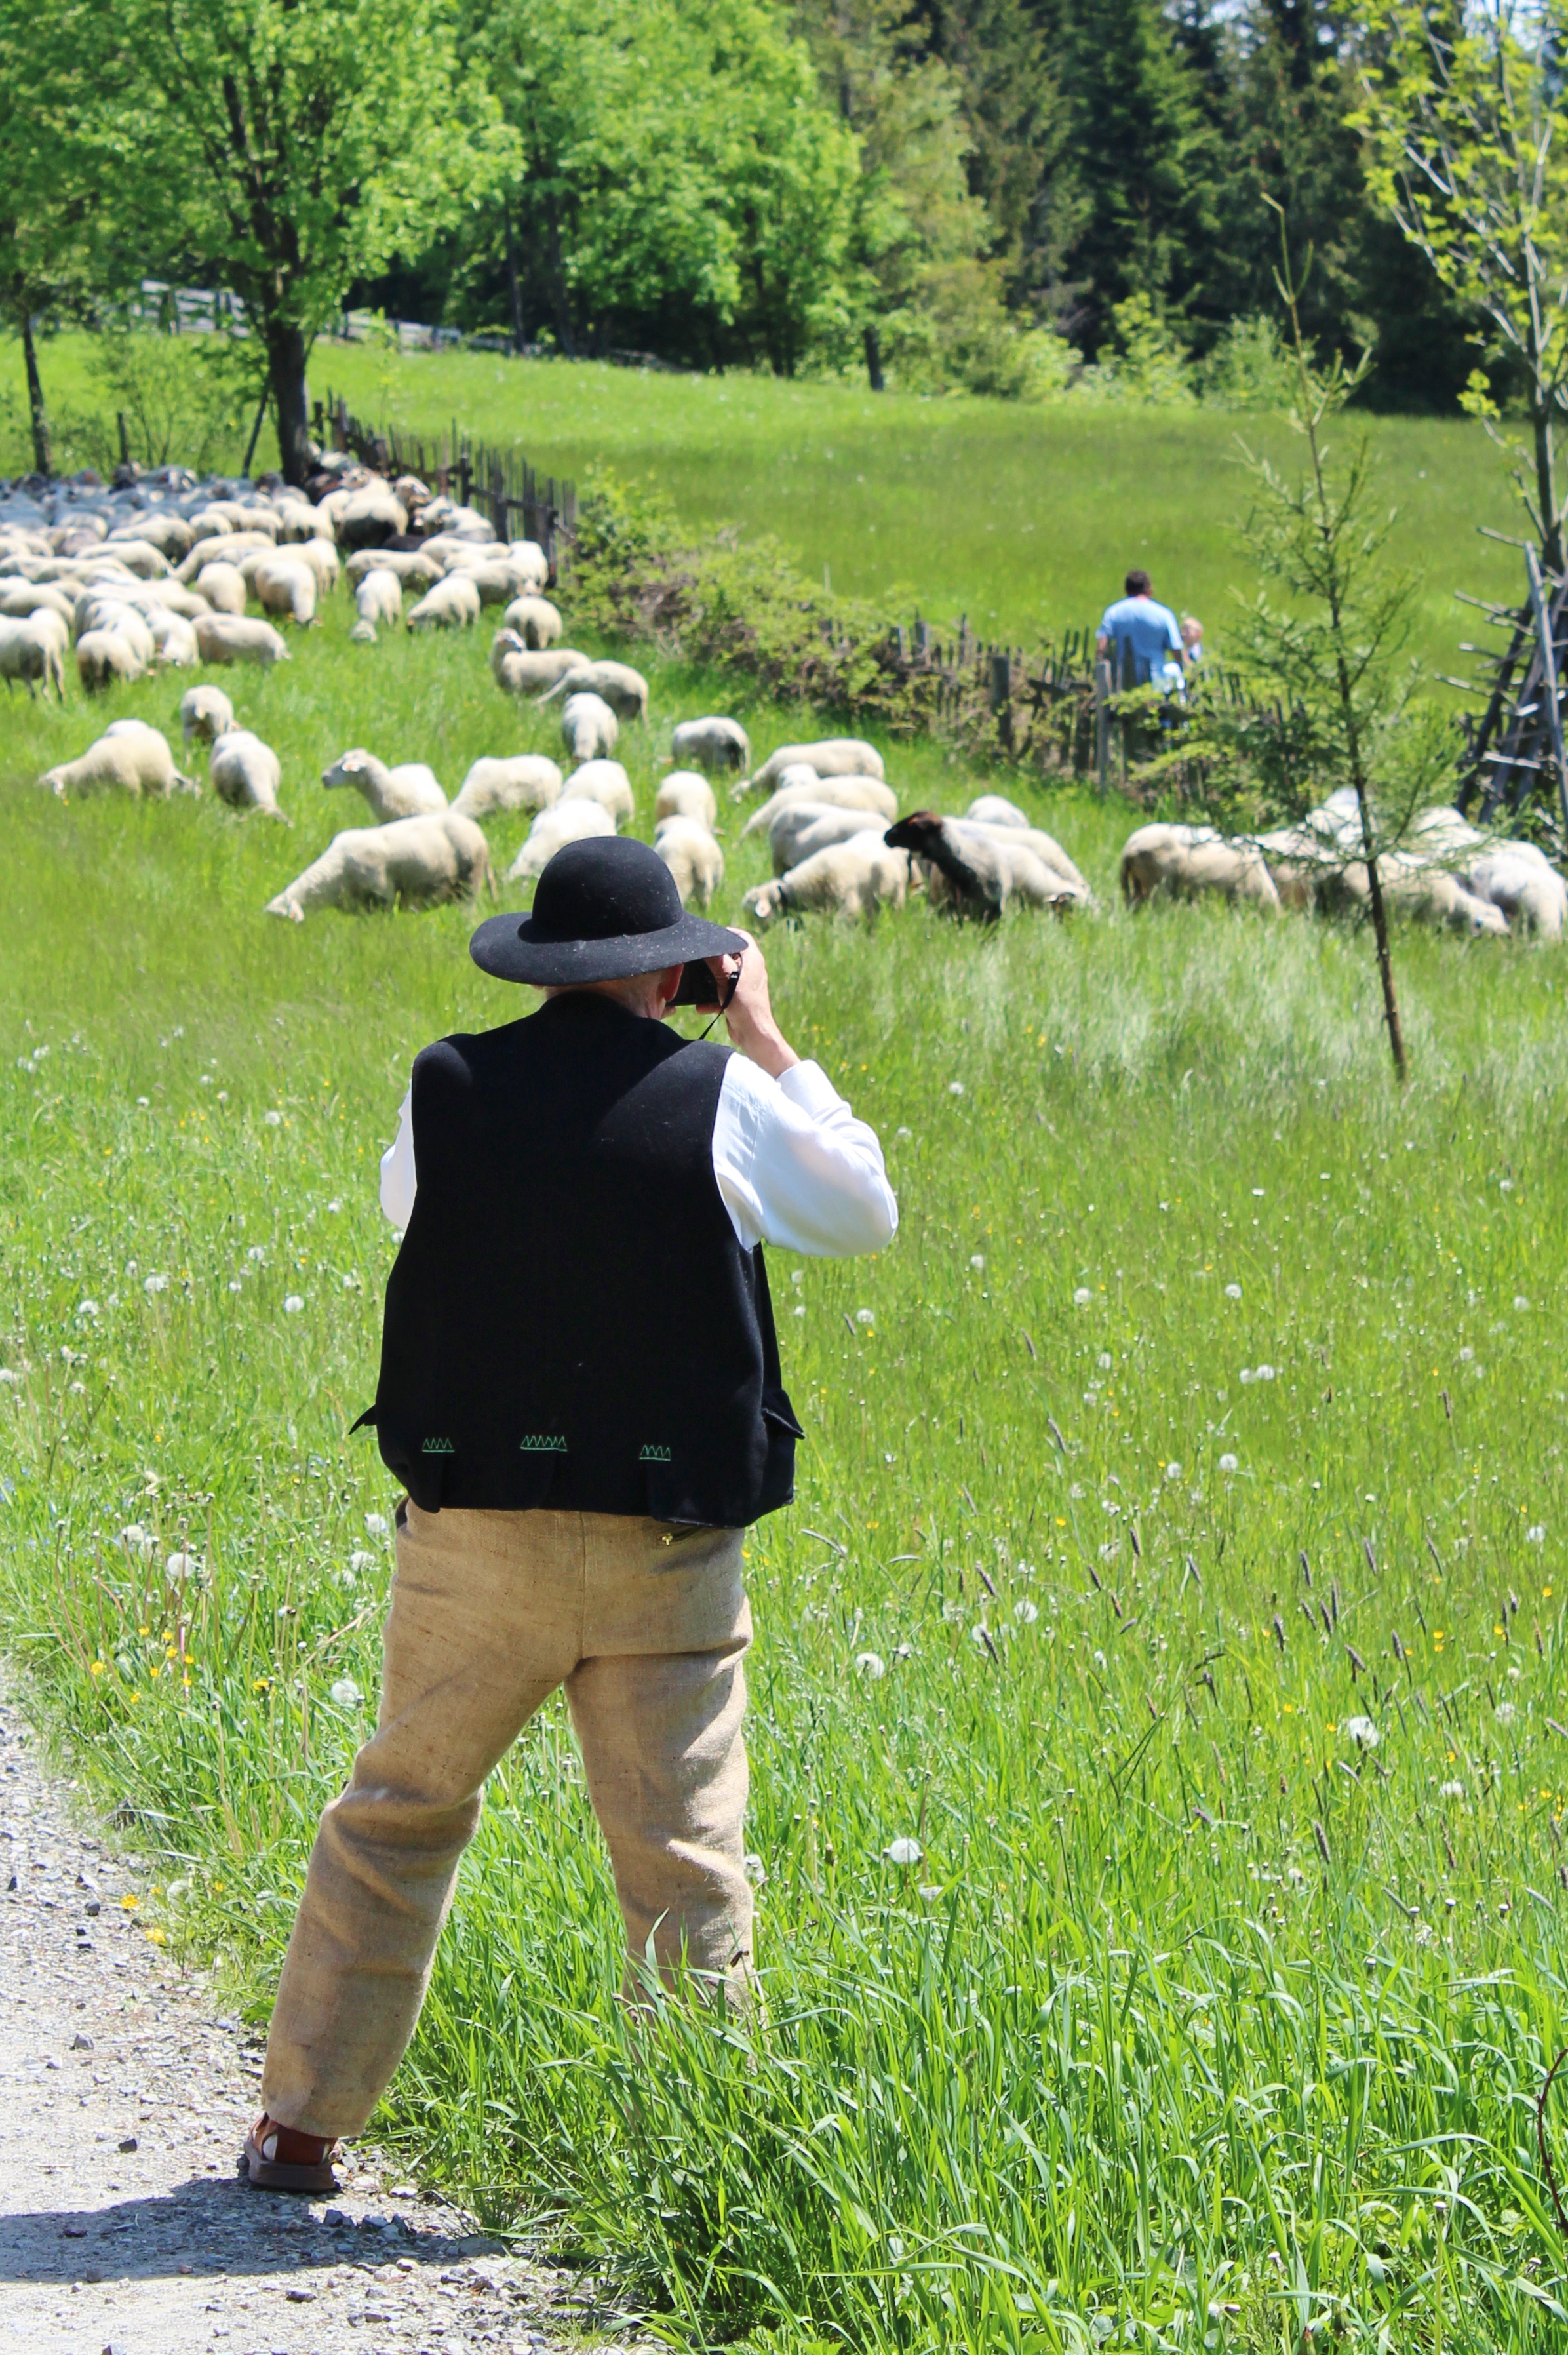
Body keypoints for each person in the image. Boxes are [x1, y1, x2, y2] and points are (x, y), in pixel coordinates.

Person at [245, 835, 898, 2194]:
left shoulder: (447, 1082)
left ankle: (301, 2125)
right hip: (666, 1550)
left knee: (399, 1811)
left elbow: (404, 1204)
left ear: (542, 969)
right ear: (673, 974)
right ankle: (700, 2175)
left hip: (474, 1538)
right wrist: (765, 1036)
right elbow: (862, 1209)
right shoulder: (723, 1095)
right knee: (683, 1861)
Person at [1097, 570, 1185, 689]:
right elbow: (1177, 651)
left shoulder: (1113, 612)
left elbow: (1101, 647)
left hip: (1124, 682)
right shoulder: (1164, 614)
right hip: (1156, 683)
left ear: (1126, 589)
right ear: (1149, 589)